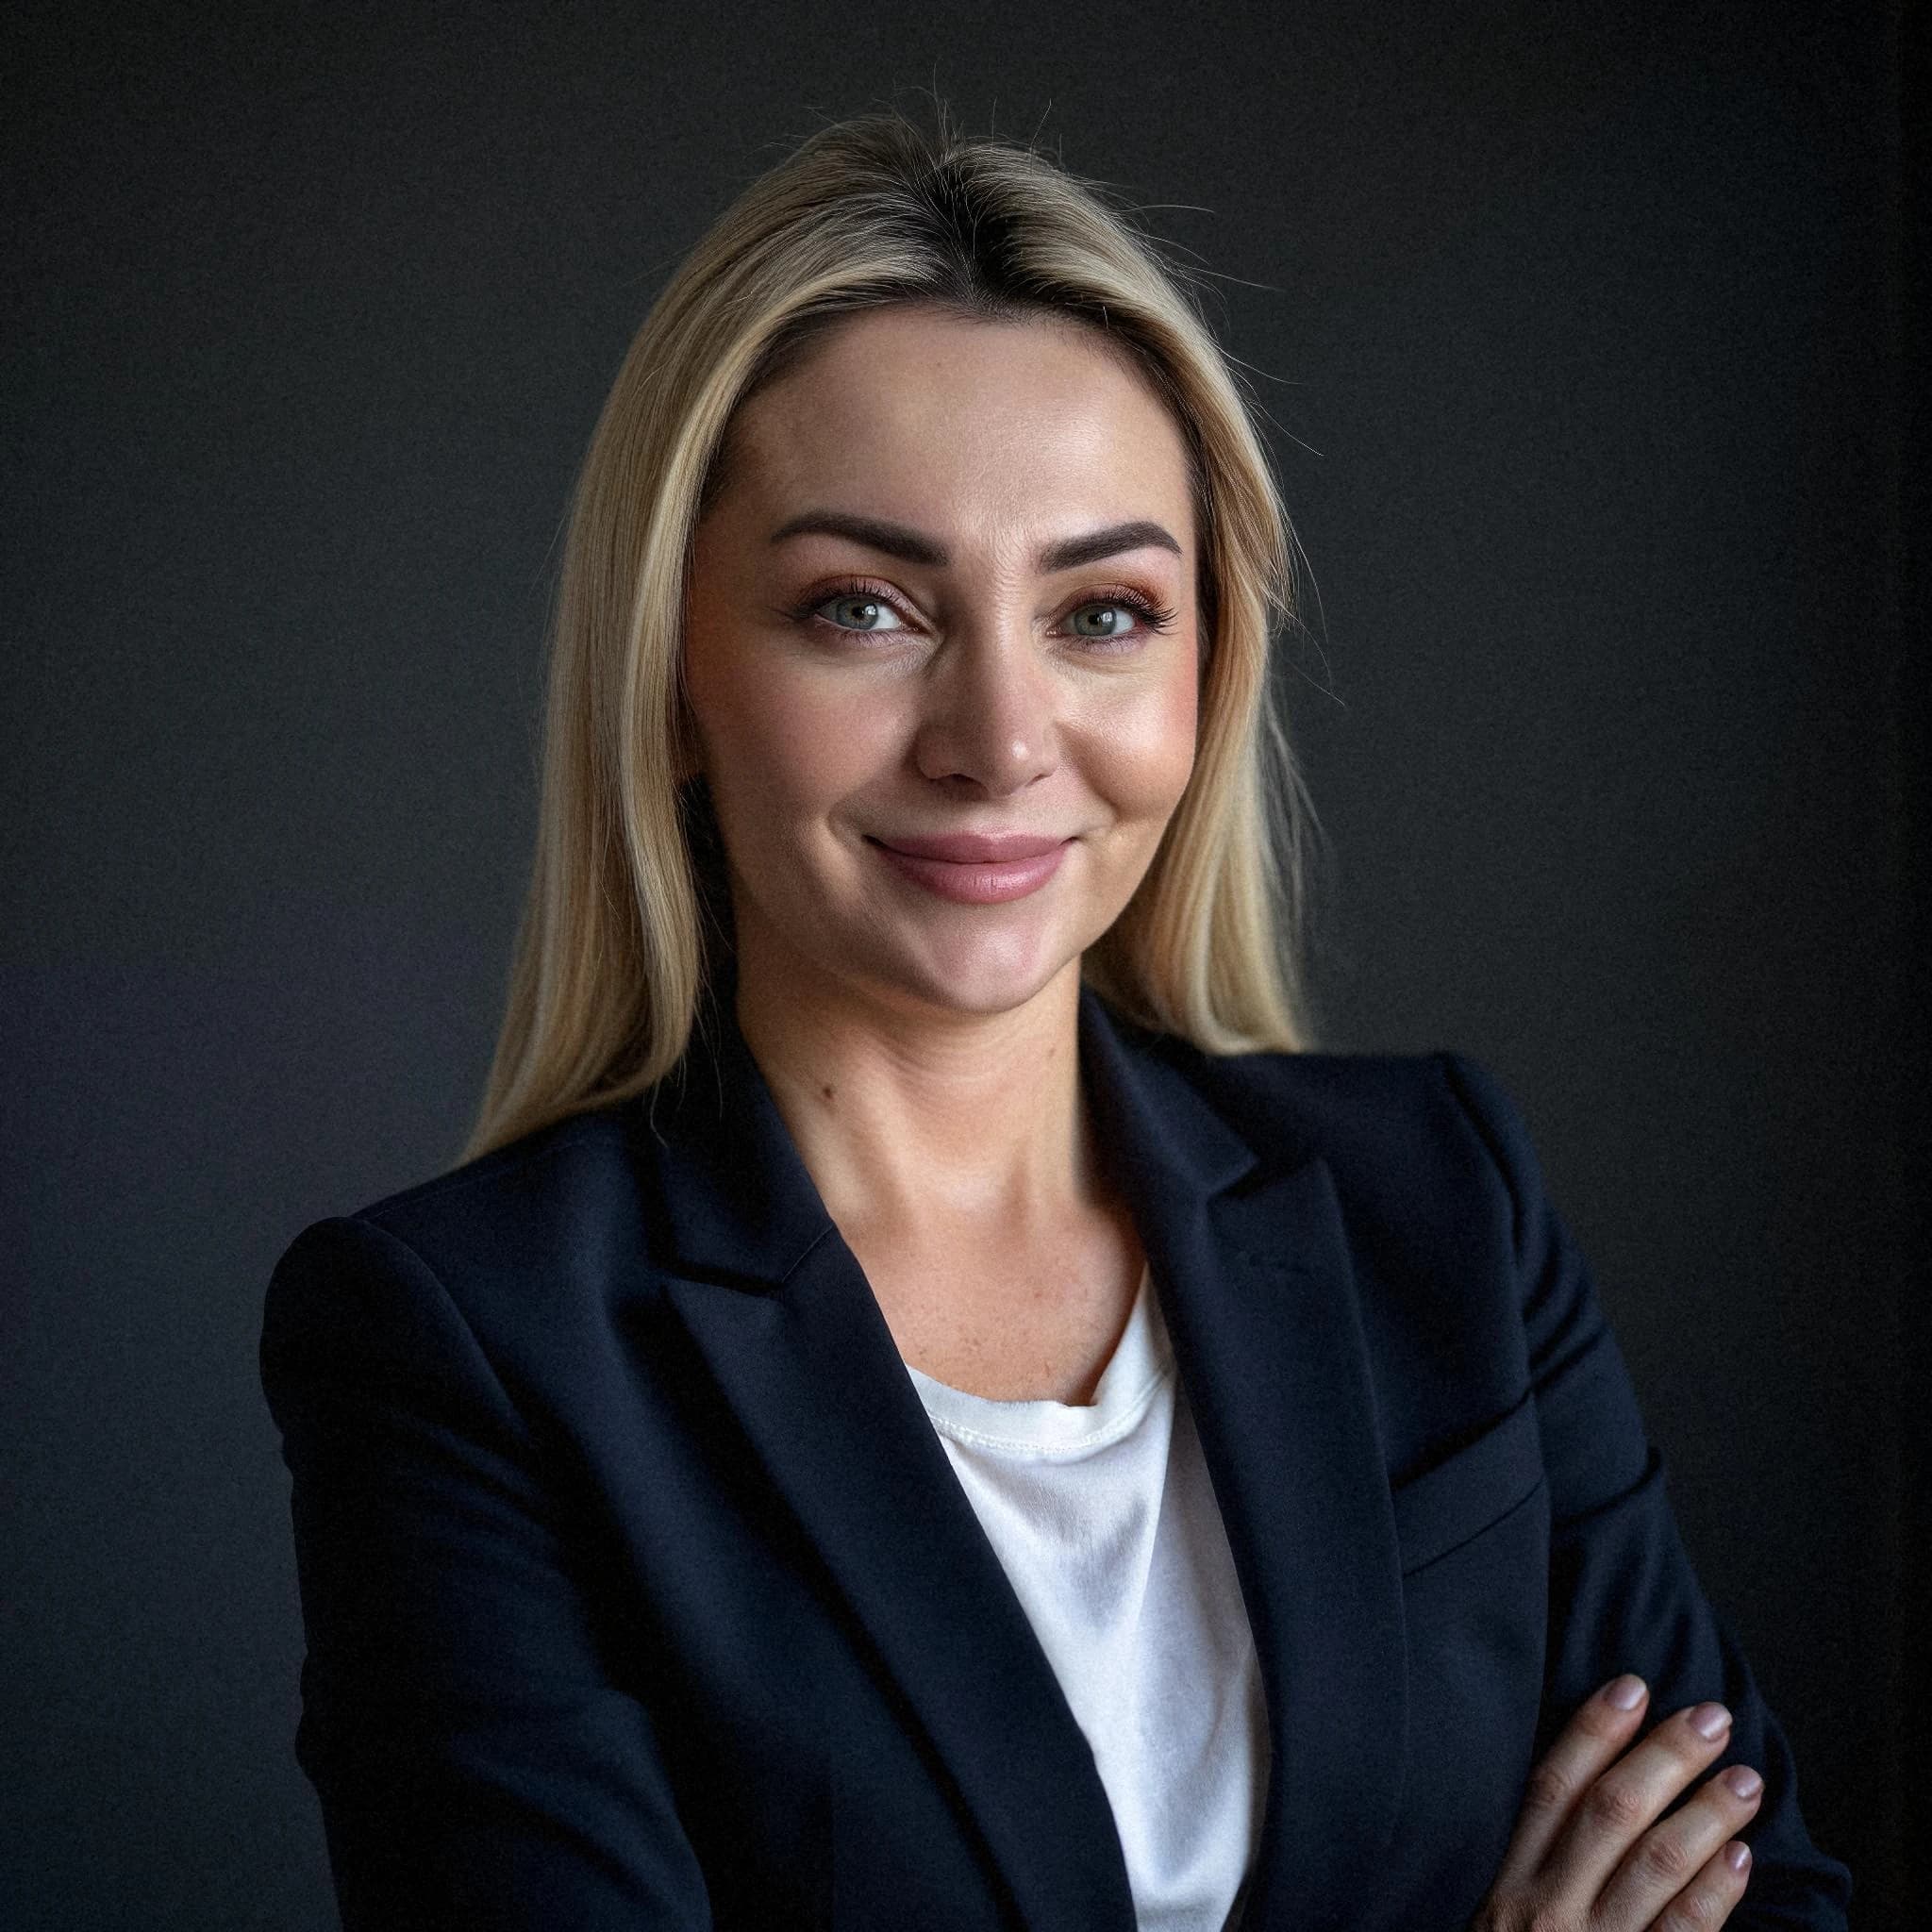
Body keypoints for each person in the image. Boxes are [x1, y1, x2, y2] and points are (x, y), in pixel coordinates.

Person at [259, 108, 1852, 1931]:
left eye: (1102, 612)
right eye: (863, 607)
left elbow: (1761, 1892)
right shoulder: (470, 1345)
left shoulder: (1441, 1197)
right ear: (674, 674)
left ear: (1204, 674)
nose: (1002, 739)